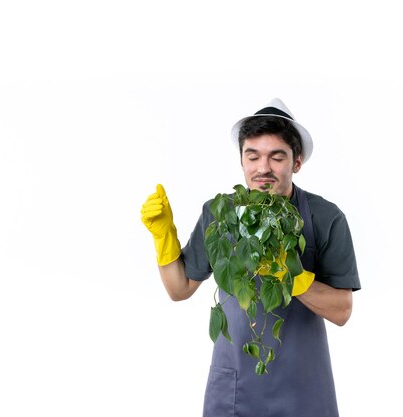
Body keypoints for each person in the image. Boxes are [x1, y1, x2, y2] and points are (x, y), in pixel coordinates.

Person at [140, 98, 361, 417]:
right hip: (235, 386)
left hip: (302, 387)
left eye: (277, 157)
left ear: (296, 162)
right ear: (242, 160)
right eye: (252, 155)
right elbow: (180, 289)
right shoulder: (220, 214)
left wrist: (292, 277)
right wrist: (163, 237)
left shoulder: (326, 218)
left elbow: (342, 310)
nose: (263, 168)